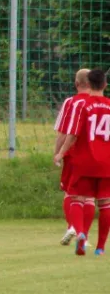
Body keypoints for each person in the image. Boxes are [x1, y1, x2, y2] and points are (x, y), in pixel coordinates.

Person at [55, 69, 110, 256]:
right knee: (105, 203)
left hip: (84, 160)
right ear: (104, 85)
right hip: (106, 162)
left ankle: (80, 233)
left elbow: (72, 134)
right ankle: (101, 247)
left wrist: (60, 153)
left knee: (76, 197)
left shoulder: (81, 105)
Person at [53, 69, 94, 246]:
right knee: (90, 197)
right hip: (94, 154)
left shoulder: (70, 102)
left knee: (70, 193)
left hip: (71, 153)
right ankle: (83, 233)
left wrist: (57, 153)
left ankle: (72, 227)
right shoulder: (99, 102)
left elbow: (63, 131)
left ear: (76, 83)